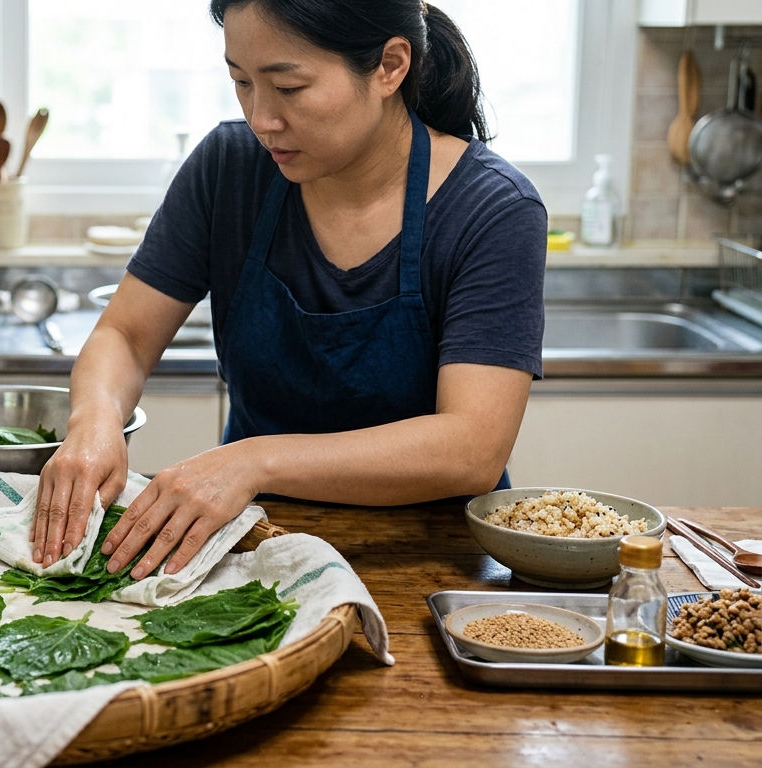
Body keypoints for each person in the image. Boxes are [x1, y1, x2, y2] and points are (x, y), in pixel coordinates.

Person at [31, 0, 547, 581]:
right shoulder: (229, 168)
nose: (261, 118)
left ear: (389, 66)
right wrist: (96, 421)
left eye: (289, 87)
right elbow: (125, 335)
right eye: (241, 82)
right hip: (253, 547)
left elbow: (471, 447)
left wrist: (255, 460)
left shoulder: (493, 209)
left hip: (429, 561)